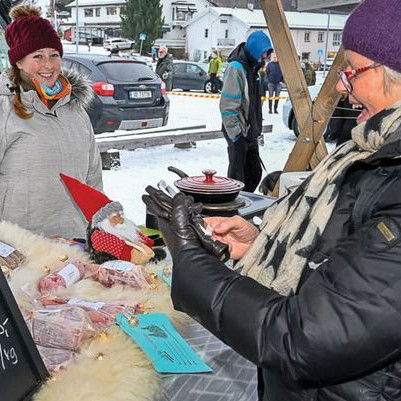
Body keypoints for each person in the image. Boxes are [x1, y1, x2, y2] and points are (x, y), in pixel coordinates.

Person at [143, 0, 401, 399]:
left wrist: (193, 264)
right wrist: (259, 246)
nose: (339, 86)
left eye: (351, 70)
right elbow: (341, 266)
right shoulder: (372, 153)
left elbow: (306, 339)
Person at [0, 5, 102, 239]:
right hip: (20, 250)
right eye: (37, 56)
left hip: (74, 244)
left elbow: (93, 178)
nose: (48, 65)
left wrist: (98, 223)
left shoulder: (75, 109)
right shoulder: (3, 108)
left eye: (54, 55)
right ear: (18, 62)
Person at [220, 31, 273, 193]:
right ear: (255, 48)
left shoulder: (253, 68)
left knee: (255, 172)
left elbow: (254, 103)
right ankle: (233, 209)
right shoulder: (236, 68)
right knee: (237, 179)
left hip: (250, 132)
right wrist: (236, 134)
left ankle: (244, 202)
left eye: (267, 52)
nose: (265, 55)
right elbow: (227, 105)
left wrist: (256, 129)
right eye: (264, 51)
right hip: (238, 132)